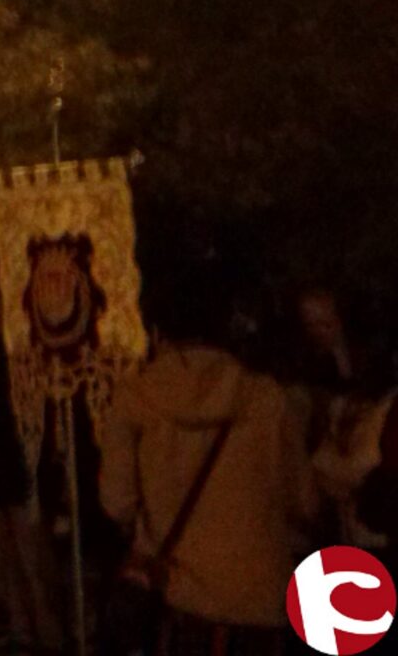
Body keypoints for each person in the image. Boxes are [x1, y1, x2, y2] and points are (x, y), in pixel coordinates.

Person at [100, 258, 318, 656]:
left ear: (156, 330)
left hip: (185, 600)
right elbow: (304, 501)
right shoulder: (267, 398)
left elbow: (117, 503)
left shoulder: (135, 400)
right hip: (262, 600)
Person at [0, 283, 60, 654]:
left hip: (21, 471)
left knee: (34, 558)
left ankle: (51, 633)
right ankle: (21, 629)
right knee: (5, 560)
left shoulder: (22, 355)